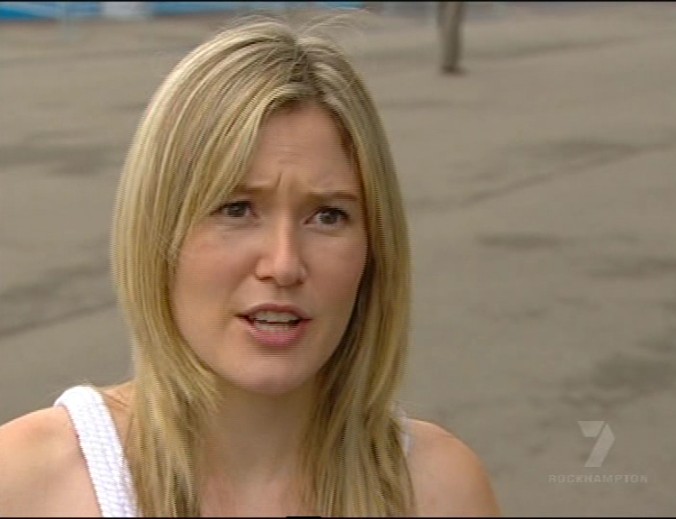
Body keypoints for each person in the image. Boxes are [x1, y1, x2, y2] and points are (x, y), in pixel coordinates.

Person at [0, 15, 500, 517]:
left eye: (328, 216)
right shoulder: (27, 485)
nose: (283, 264)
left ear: (375, 249)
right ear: (157, 231)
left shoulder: (438, 491)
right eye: (236, 209)